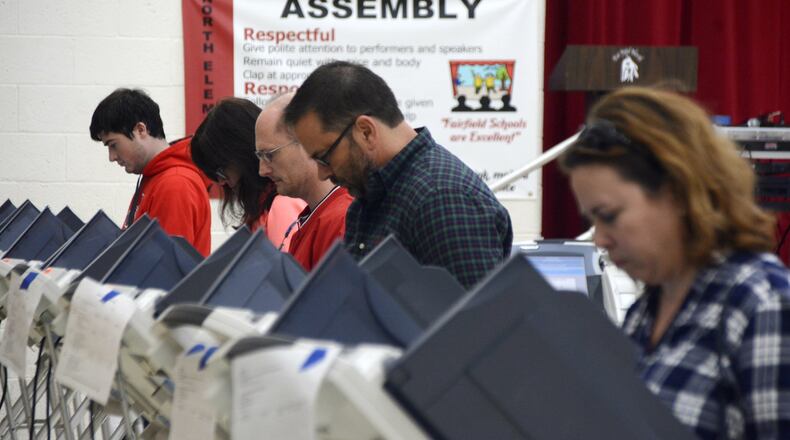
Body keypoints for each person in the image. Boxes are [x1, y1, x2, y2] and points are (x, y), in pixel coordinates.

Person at [559, 86, 790, 439]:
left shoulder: (761, 303)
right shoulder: (647, 310)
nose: (600, 239)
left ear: (678, 192)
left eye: (609, 216)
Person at [283, 61, 513, 289]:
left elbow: (473, 323)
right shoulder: (374, 193)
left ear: (366, 131)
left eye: (325, 157)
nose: (323, 174)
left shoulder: (442, 199)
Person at [89, 88, 211, 256]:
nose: (112, 157)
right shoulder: (155, 176)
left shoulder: (175, 184)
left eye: (113, 144)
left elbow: (166, 271)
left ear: (140, 129)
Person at [190, 97, 305, 250]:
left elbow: (286, 270)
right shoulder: (264, 207)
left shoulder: (282, 205)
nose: (223, 181)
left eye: (221, 170)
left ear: (241, 155)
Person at [255, 93, 353, 271]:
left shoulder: (340, 221)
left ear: (307, 141)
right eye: (259, 157)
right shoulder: (318, 218)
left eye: (269, 155)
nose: (262, 170)